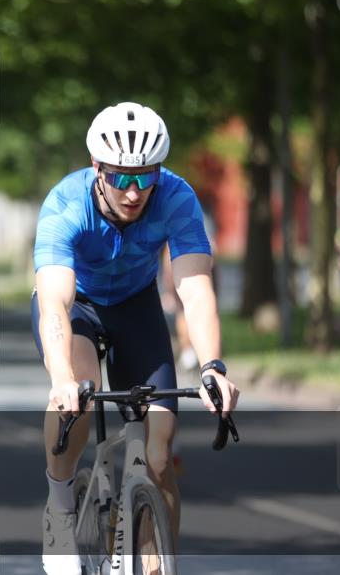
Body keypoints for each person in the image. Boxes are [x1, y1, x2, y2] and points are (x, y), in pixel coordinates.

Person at [31, 102, 240, 573]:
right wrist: (63, 377)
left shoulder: (176, 198)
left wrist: (212, 367)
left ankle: (155, 560)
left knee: (160, 450)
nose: (133, 191)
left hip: (135, 305)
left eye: (144, 177)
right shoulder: (66, 204)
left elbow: (195, 288)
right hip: (77, 307)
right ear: (96, 168)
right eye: (120, 177)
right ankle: (60, 508)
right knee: (77, 396)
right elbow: (54, 306)